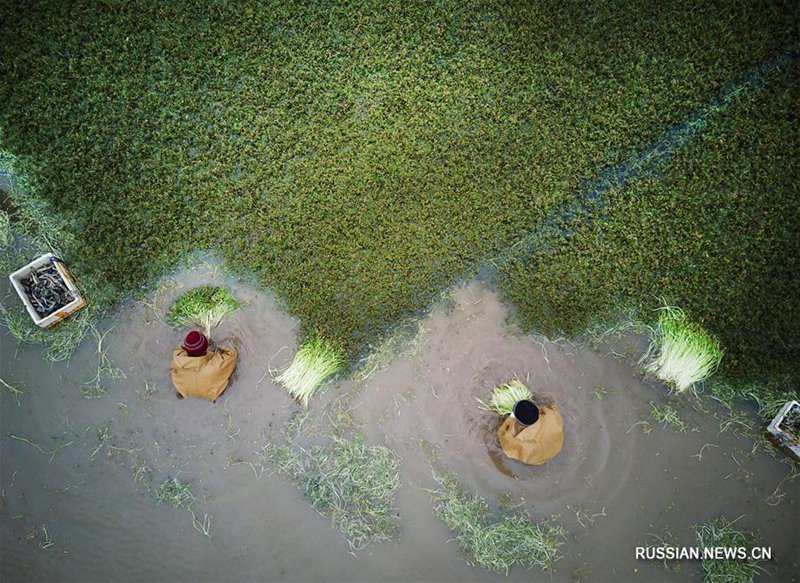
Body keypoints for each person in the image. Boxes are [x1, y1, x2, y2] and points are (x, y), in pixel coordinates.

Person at [171, 330, 238, 402]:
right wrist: (216, 344)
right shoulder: (215, 366)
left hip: (183, 390)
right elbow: (231, 354)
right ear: (206, 347)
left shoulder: (177, 358)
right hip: (211, 395)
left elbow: (181, 347)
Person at [497, 399, 563, 465]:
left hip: (538, 458)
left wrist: (511, 418)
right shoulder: (551, 414)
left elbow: (503, 437)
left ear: (520, 423)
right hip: (556, 447)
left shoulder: (519, 440)